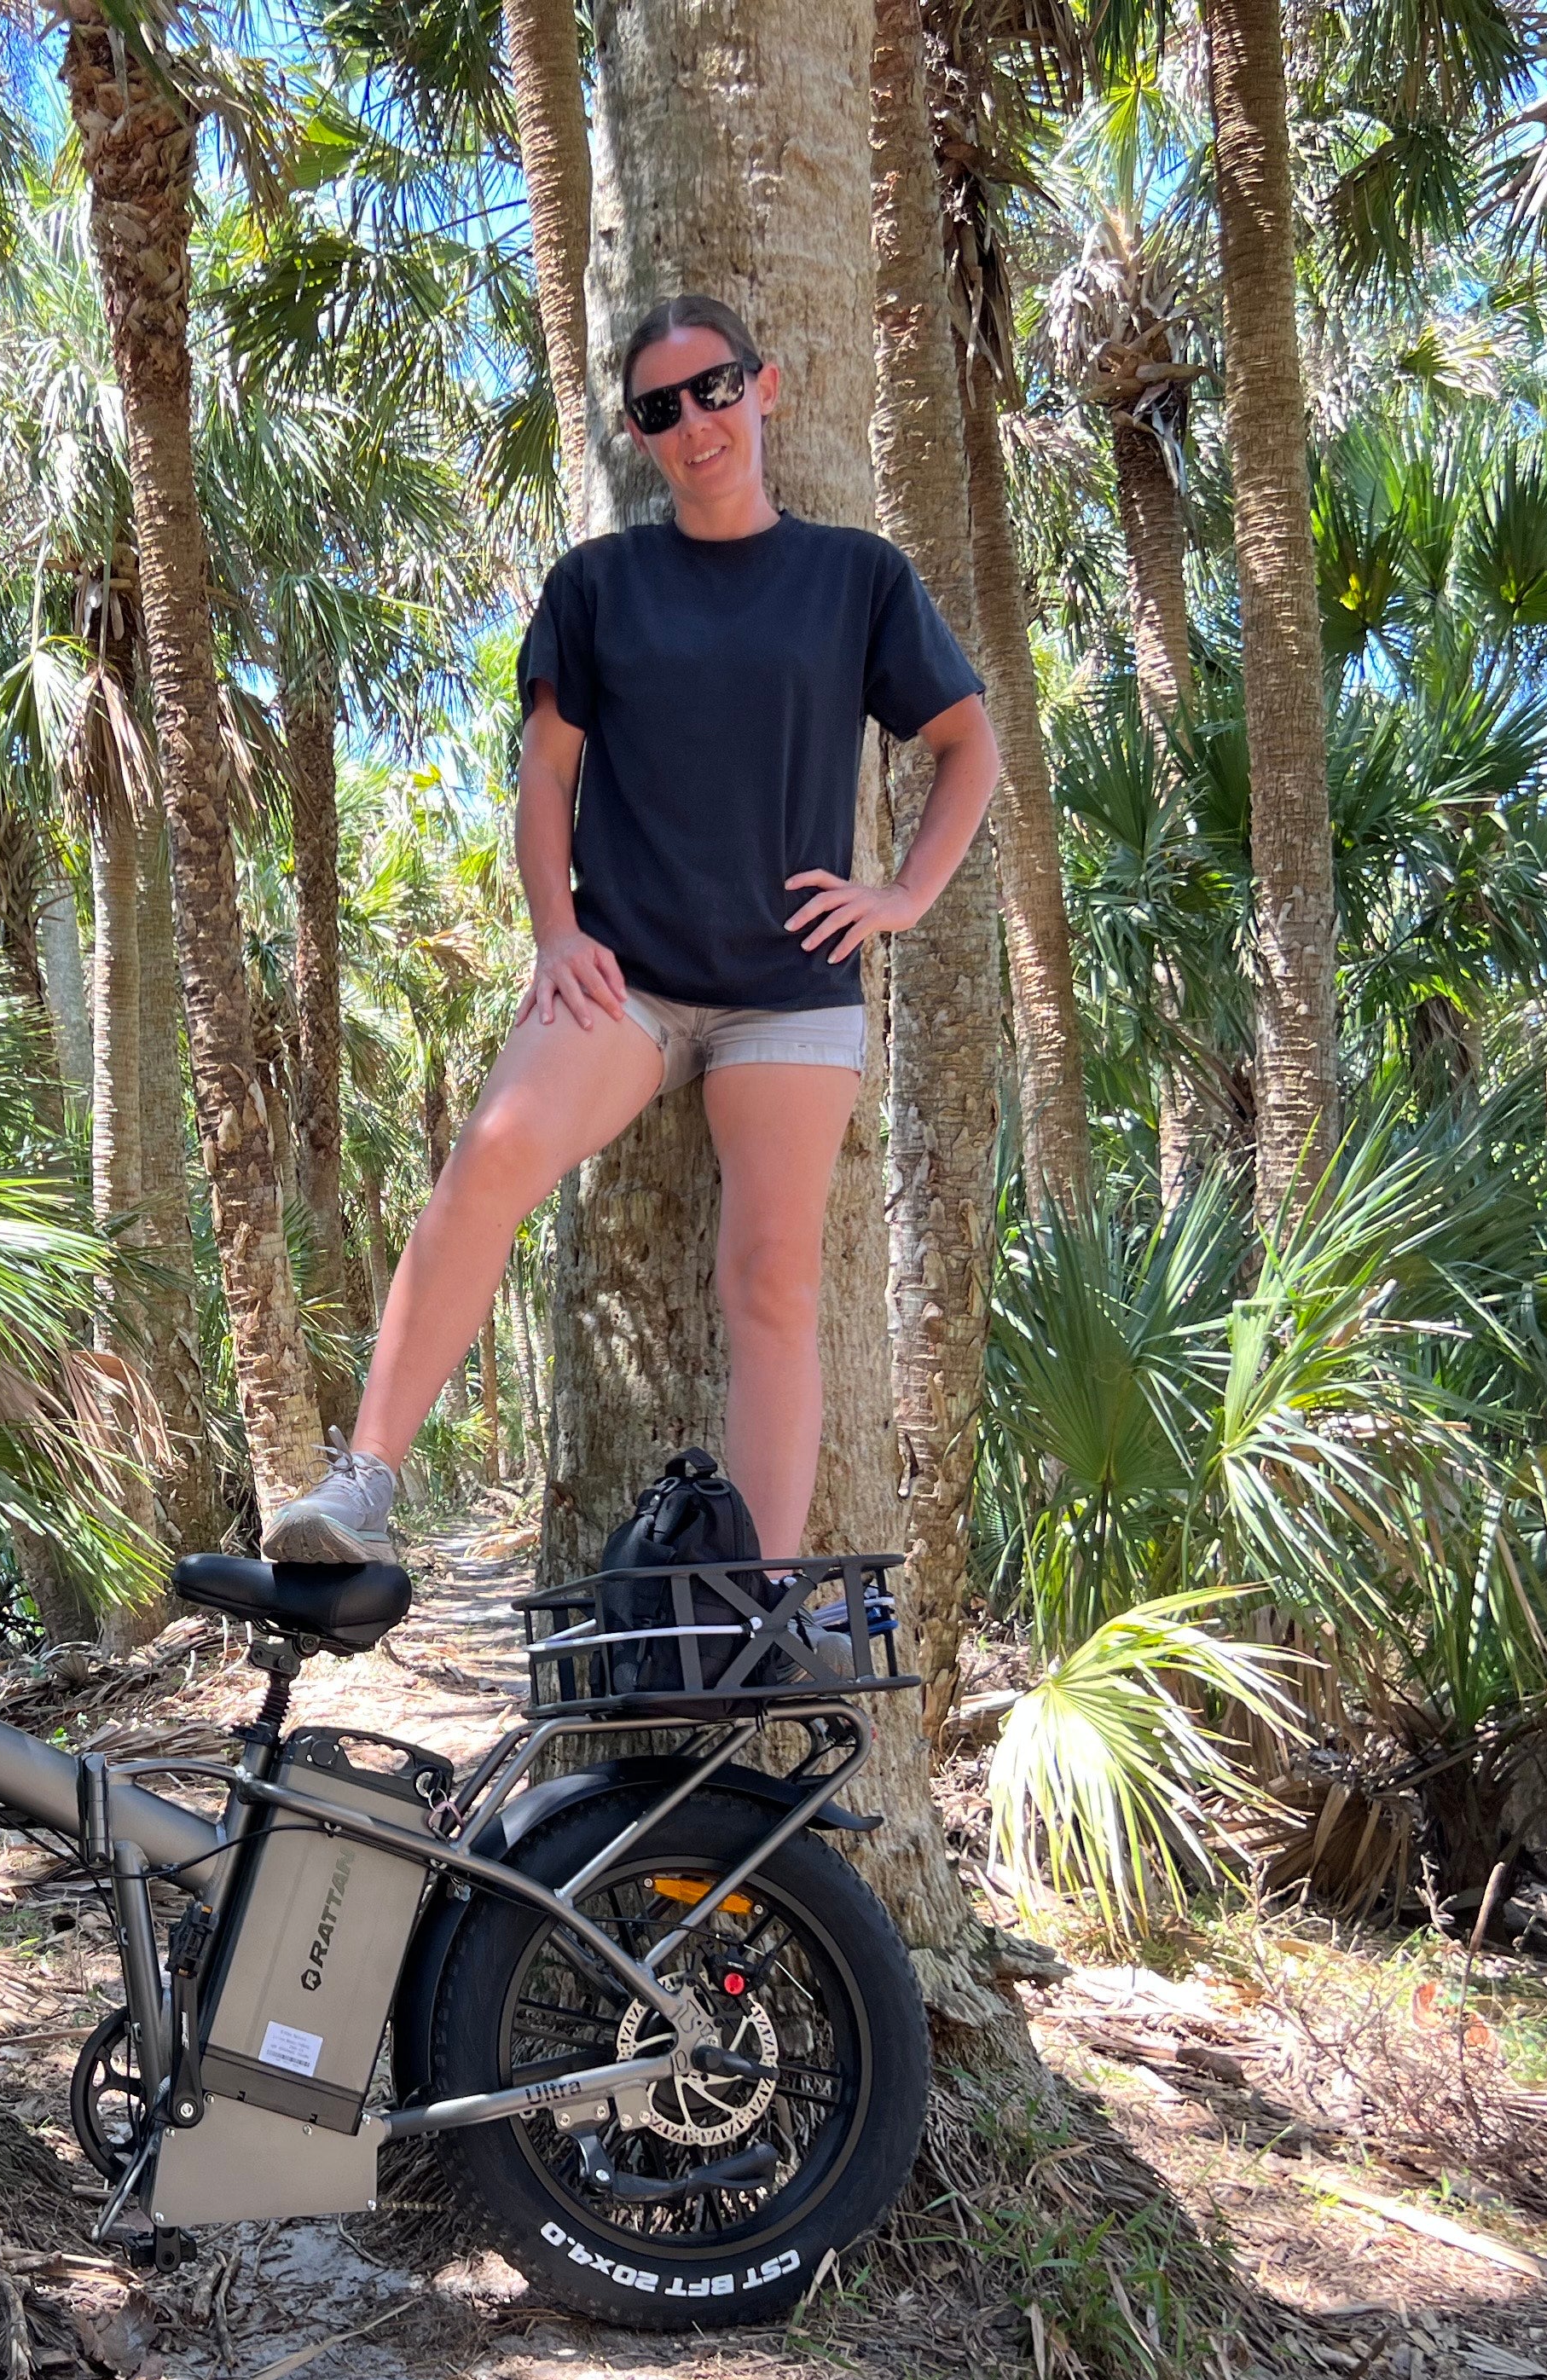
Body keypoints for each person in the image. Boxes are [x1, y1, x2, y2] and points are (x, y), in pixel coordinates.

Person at [263, 293, 1003, 1566]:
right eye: (662, 409)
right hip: (630, 980)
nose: (695, 424)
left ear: (765, 389)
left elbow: (967, 745)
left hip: (792, 988)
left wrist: (902, 899)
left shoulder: (857, 578)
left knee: (770, 1281)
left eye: (715, 390)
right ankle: (363, 1485)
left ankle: (759, 1596)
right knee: (485, 1164)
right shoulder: (600, 585)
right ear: (638, 435)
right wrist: (555, 934)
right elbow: (545, 776)